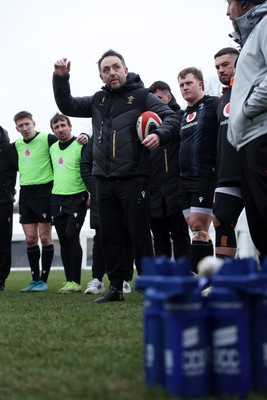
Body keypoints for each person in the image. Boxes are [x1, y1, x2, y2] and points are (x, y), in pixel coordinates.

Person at [53, 49, 180, 303]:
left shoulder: (143, 96)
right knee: (109, 235)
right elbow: (66, 105)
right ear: (101, 75)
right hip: (103, 179)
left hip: (134, 177)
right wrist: (61, 78)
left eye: (115, 67)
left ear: (125, 69)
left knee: (140, 233)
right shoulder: (98, 100)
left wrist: (160, 134)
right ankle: (116, 287)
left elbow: (172, 117)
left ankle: (150, 284)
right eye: (106, 69)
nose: (112, 72)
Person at [14, 111, 87, 292]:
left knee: (55, 236)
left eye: (27, 124)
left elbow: (78, 153)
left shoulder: (53, 140)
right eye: (20, 126)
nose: (24, 128)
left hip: (56, 194)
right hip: (37, 195)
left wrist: (85, 136)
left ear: (34, 123)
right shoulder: (19, 145)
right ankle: (43, 280)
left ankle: (56, 281)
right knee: (37, 238)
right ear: (16, 128)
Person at [226, 0, 267, 263]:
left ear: (243, 3)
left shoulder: (265, 25)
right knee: (258, 218)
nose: (226, 11)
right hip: (247, 140)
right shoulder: (250, 37)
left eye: (228, 3)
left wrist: (245, 110)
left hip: (261, 134)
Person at [177, 67, 218, 272]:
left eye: (189, 83)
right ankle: (208, 277)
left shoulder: (212, 105)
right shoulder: (183, 115)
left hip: (204, 177)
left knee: (198, 226)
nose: (185, 88)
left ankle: (197, 278)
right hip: (183, 181)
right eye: (182, 85)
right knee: (197, 231)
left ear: (200, 84)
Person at [80, 137, 134, 295]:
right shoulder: (95, 138)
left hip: (125, 192)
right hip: (101, 196)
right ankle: (97, 279)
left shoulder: (126, 131)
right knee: (101, 237)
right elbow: (85, 164)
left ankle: (124, 280)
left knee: (126, 236)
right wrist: (95, 188)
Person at [148, 81, 190, 259]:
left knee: (180, 234)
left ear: (168, 97)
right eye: (152, 100)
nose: (155, 103)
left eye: (158, 98)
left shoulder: (182, 117)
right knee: (159, 237)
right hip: (154, 191)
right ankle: (162, 276)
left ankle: (185, 273)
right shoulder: (146, 124)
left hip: (177, 188)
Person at [50, 113, 89, 293]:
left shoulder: (81, 144)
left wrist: (90, 194)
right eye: (56, 127)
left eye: (62, 125)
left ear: (70, 126)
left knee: (72, 234)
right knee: (63, 240)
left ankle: (76, 282)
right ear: (53, 131)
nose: (60, 129)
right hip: (57, 198)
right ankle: (69, 281)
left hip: (77, 197)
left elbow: (89, 168)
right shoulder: (52, 148)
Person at [213, 47, 244, 259]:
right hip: (227, 174)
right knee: (221, 220)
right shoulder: (222, 100)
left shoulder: (252, 87)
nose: (221, 70)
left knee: (261, 224)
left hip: (254, 168)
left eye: (225, 64)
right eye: (217, 67)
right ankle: (224, 280)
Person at [0, 127, 17, 291]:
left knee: (3, 241)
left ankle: (1, 280)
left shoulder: (8, 148)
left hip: (3, 201)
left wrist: (10, 186)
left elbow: (23, 167)